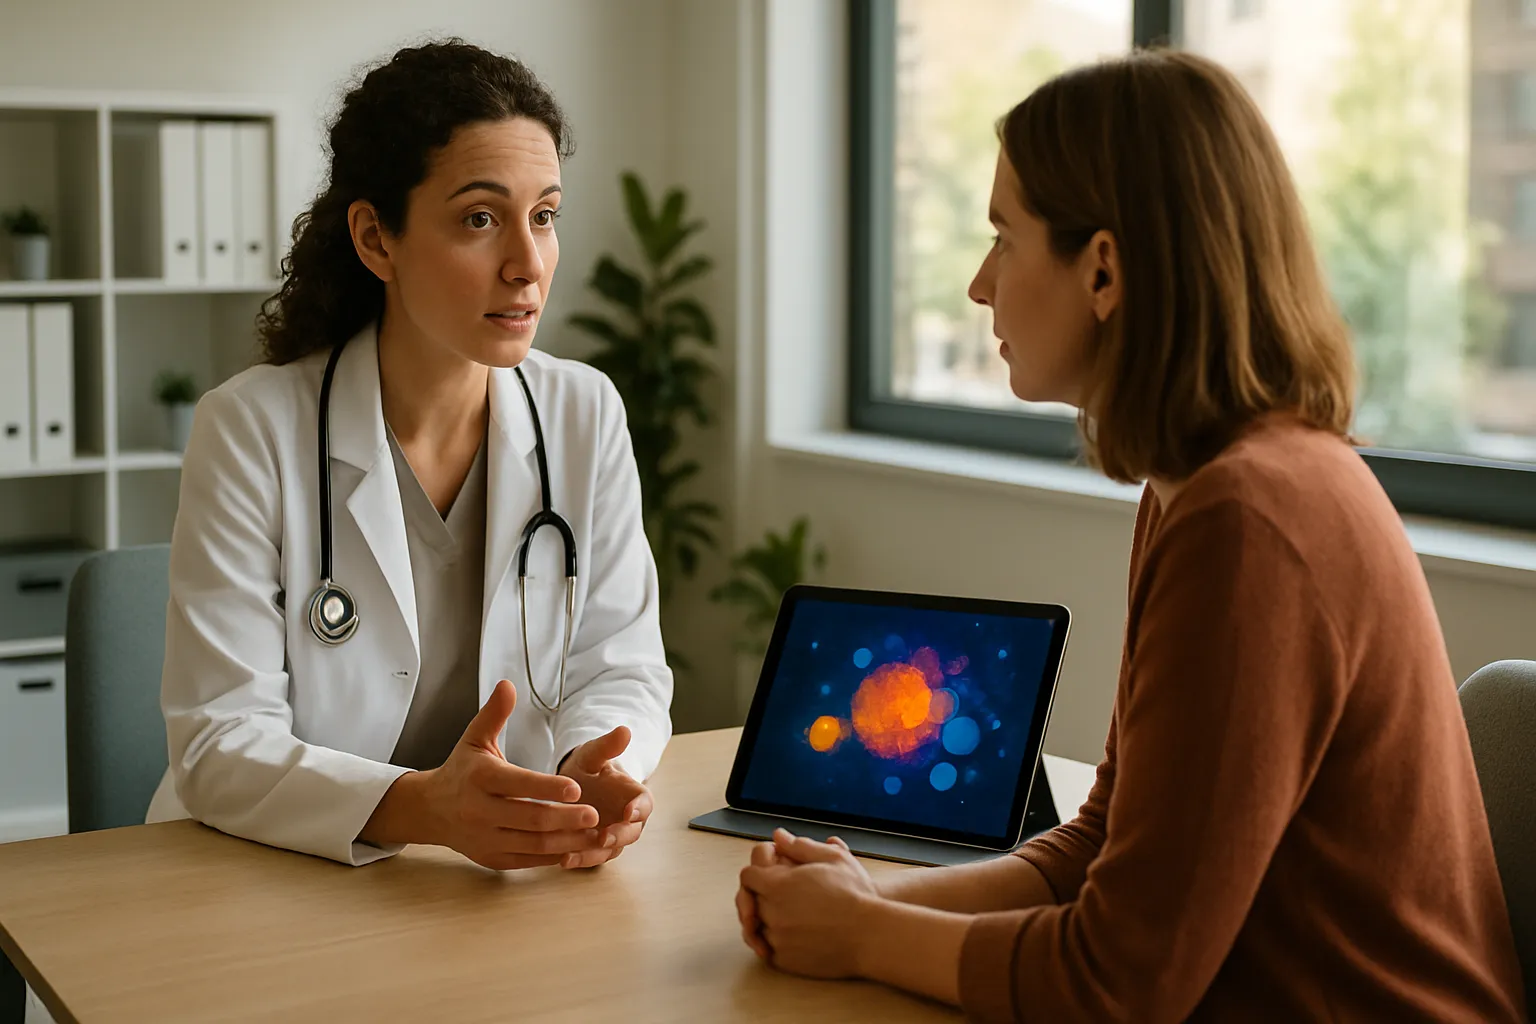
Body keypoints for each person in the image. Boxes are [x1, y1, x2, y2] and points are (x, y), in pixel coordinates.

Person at [735, 49, 1527, 1022]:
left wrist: (862, 936)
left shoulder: (1253, 520)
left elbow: (1120, 982)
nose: (980, 286)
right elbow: (1103, 839)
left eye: (1004, 238)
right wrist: (866, 903)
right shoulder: (1190, 483)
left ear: (1102, 269)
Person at [147, 40, 673, 872]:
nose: (527, 265)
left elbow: (623, 667)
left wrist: (592, 771)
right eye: (479, 218)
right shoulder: (251, 428)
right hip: (270, 870)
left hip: (486, 883)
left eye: (543, 216)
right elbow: (220, 742)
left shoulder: (584, 412)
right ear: (375, 239)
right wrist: (424, 808)